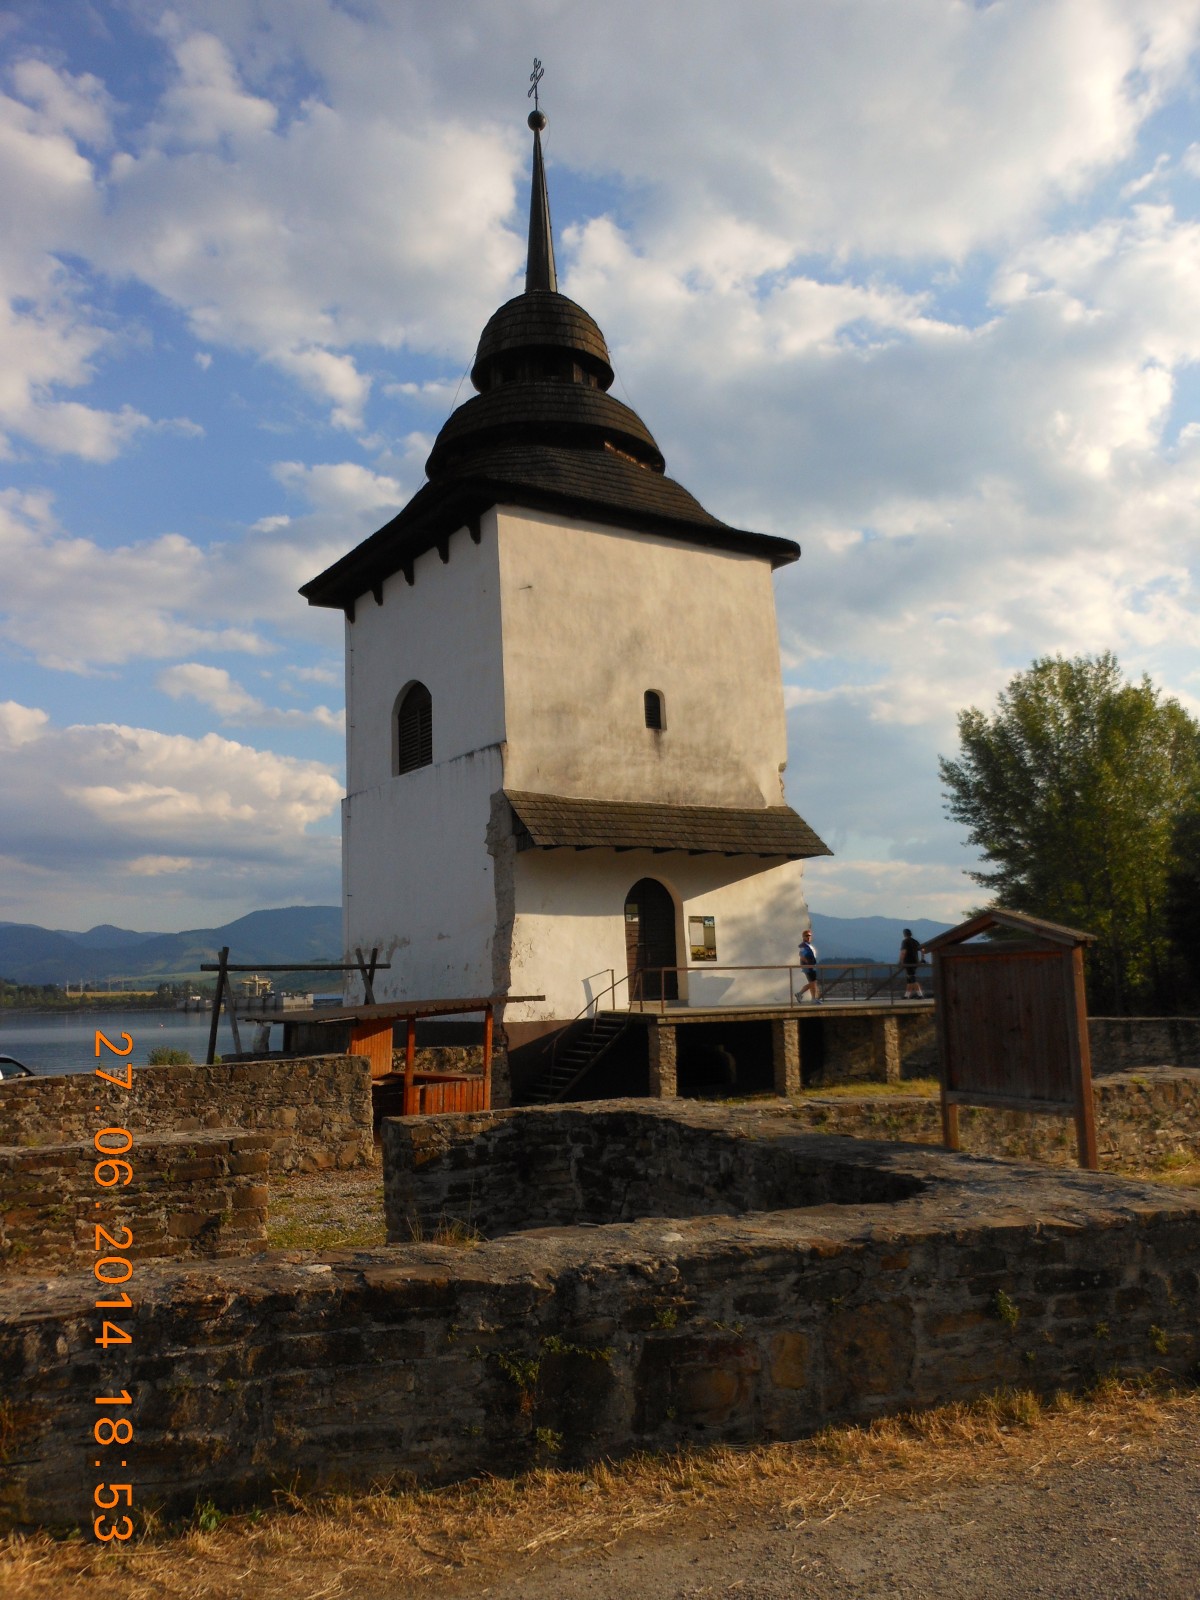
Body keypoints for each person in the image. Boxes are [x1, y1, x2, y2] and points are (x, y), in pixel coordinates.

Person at [899, 927, 925, 998]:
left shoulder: (905, 941)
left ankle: (920, 995)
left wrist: (901, 961)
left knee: (912, 978)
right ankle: (906, 995)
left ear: (904, 934)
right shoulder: (915, 941)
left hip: (908, 962)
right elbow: (922, 950)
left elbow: (903, 952)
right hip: (915, 962)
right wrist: (922, 959)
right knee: (909, 979)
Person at [797, 929, 821, 1002]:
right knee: (813, 983)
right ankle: (812, 998)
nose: (808, 937)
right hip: (808, 967)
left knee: (812, 982)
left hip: (811, 966)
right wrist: (808, 963)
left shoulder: (808, 945)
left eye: (809, 936)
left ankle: (801, 994)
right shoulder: (803, 946)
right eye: (806, 936)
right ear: (803, 937)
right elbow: (801, 955)